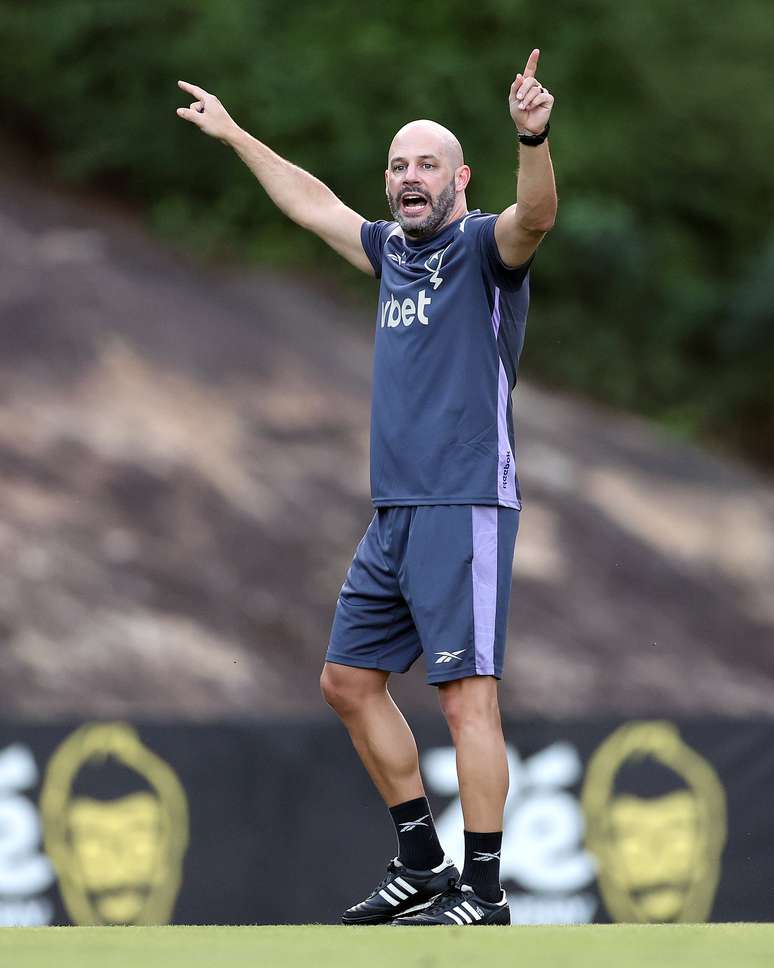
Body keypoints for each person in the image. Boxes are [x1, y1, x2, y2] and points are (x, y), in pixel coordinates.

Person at [176, 47, 556, 926]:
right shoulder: (391, 252)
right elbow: (314, 203)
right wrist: (236, 134)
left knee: (467, 700)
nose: (408, 177)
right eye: (397, 165)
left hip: (465, 502)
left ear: (460, 178)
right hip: (393, 509)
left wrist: (533, 138)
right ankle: (422, 861)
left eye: (426, 164)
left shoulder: (484, 247)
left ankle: (486, 893)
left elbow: (536, 215)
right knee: (347, 682)